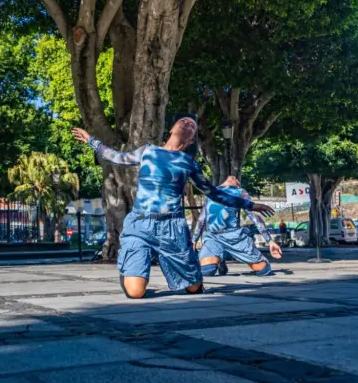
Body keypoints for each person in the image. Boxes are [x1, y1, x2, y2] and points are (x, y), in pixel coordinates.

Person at [72, 118, 276, 299]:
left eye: (192, 126)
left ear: (190, 140)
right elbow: (117, 157)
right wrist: (92, 140)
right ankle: (133, 267)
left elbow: (213, 192)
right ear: (172, 129)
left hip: (172, 228)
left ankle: (170, 264)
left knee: (194, 288)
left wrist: (250, 205)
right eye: (184, 122)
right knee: (136, 293)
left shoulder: (189, 163)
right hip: (140, 224)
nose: (187, 124)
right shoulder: (147, 151)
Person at [192, 176, 282, 277]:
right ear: (237, 182)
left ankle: (223, 258)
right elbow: (254, 217)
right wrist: (269, 240)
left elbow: (201, 219)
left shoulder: (214, 192)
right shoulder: (237, 192)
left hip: (234, 237)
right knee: (207, 271)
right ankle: (219, 259)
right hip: (214, 237)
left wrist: (194, 239)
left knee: (263, 270)